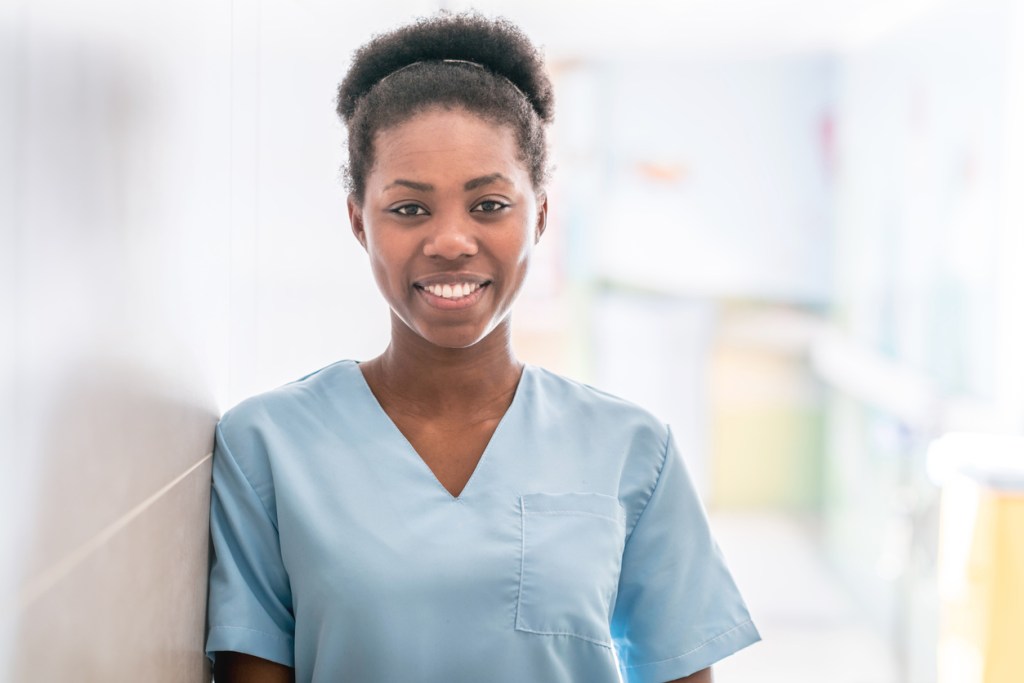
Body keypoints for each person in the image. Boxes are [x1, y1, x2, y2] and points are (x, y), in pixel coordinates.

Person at [205, 12, 760, 683]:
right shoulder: (266, 445)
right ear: (359, 221)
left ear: (541, 215)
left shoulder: (632, 450)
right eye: (410, 208)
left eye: (489, 204)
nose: (451, 240)